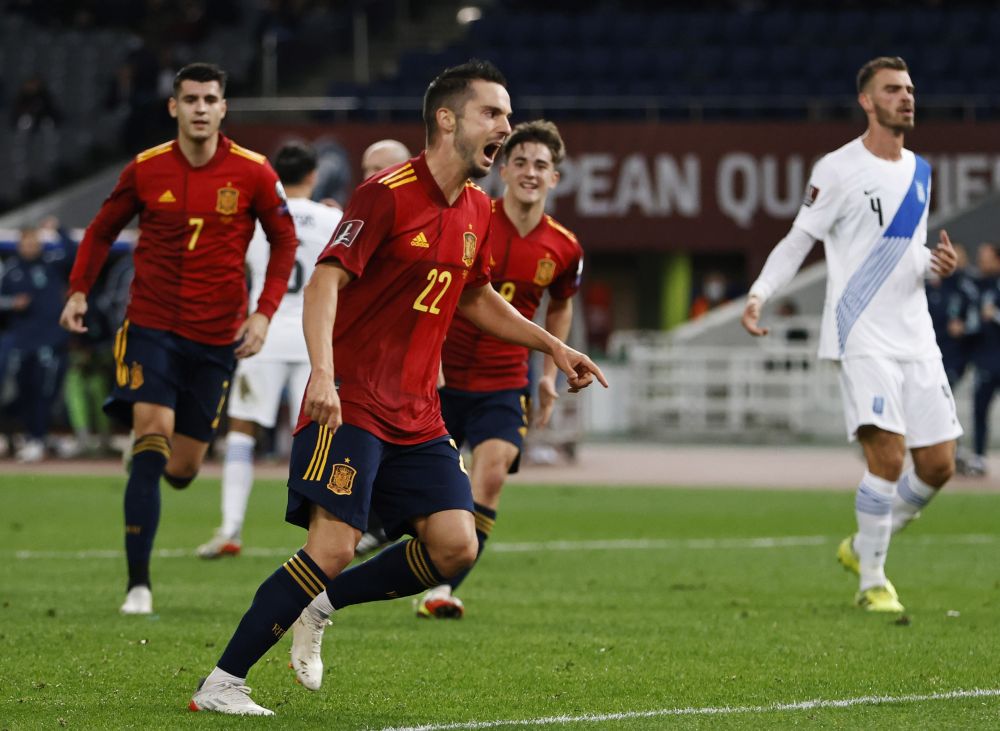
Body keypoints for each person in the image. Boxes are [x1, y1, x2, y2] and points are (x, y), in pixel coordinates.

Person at [188, 59, 606, 717]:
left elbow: (474, 295)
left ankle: (323, 603)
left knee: (455, 545)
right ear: (448, 120)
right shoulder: (385, 193)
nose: (503, 126)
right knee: (332, 546)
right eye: (491, 113)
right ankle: (222, 681)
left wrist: (551, 345)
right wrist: (322, 374)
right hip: (352, 399)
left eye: (505, 113)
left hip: (418, 410)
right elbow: (326, 281)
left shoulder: (474, 209)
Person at [59, 62, 298, 616]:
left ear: (222, 108)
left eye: (209, 99)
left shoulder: (254, 172)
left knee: (184, 468)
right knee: (152, 431)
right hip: (151, 326)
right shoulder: (145, 169)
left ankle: (153, 460)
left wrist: (263, 313)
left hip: (217, 338)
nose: (199, 108)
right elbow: (101, 231)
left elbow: (283, 243)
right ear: (173, 107)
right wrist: (77, 292)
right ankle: (138, 585)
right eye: (189, 99)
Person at [741, 56, 960, 614]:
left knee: (938, 465)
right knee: (886, 457)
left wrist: (936, 265)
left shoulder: (921, 171)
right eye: (893, 89)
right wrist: (760, 292)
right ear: (867, 101)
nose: (906, 97)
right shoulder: (836, 169)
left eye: (910, 89)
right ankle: (873, 581)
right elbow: (798, 239)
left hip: (915, 333)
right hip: (859, 331)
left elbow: (905, 254)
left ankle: (862, 544)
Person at [413, 119, 583, 619]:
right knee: (419, 490)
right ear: (503, 169)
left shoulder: (564, 247)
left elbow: (561, 304)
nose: (531, 172)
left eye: (542, 165)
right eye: (522, 162)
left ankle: (442, 590)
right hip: (440, 377)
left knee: (488, 481)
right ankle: (386, 541)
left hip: (505, 382)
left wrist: (550, 372)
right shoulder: (473, 216)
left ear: (555, 178)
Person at [197, 141, 343, 558]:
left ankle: (230, 528)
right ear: (314, 176)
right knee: (321, 436)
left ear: (275, 177)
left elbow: (238, 267)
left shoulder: (259, 220)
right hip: (316, 340)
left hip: (264, 333)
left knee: (243, 429)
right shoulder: (334, 218)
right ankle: (318, 537)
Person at [351, 137, 413, 559]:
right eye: (367, 169)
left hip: (411, 366)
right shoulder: (355, 222)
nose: (373, 178)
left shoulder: (429, 223)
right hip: (359, 365)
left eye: (383, 168)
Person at [0, 225, 73, 462]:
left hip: (50, 341)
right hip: (21, 343)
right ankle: (29, 435)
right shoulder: (11, 270)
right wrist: (12, 303)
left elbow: (75, 253)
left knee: (45, 392)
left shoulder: (52, 264)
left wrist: (59, 229)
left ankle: (39, 438)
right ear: (20, 244)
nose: (30, 247)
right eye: (26, 243)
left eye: (34, 242)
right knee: (22, 392)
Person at [968, 242, 1000, 476]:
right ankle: (978, 457)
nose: (981, 260)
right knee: (979, 409)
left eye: (985, 256)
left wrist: (995, 315)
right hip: (985, 360)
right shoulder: (976, 285)